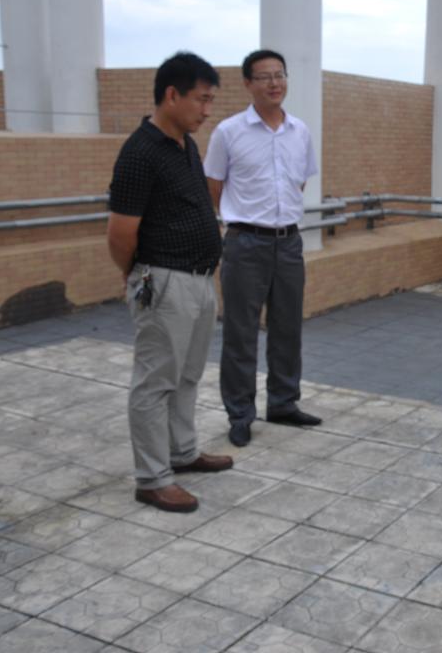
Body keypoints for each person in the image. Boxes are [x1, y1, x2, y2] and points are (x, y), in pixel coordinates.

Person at [107, 52, 233, 513]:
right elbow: (120, 233)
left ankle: (182, 452)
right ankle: (152, 478)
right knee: (155, 381)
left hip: (198, 279)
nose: (207, 110)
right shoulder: (140, 153)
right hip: (163, 280)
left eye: (211, 100)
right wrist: (139, 275)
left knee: (187, 375)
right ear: (172, 95)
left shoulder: (186, 146)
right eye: (202, 100)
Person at [204, 49, 320, 448]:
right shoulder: (228, 132)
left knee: (288, 328)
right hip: (245, 243)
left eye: (280, 75)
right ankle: (240, 414)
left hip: (288, 242)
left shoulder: (300, 131)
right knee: (241, 332)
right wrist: (239, 221)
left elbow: (298, 183)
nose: (275, 83)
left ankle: (284, 403)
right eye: (265, 76)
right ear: (248, 84)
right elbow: (214, 187)